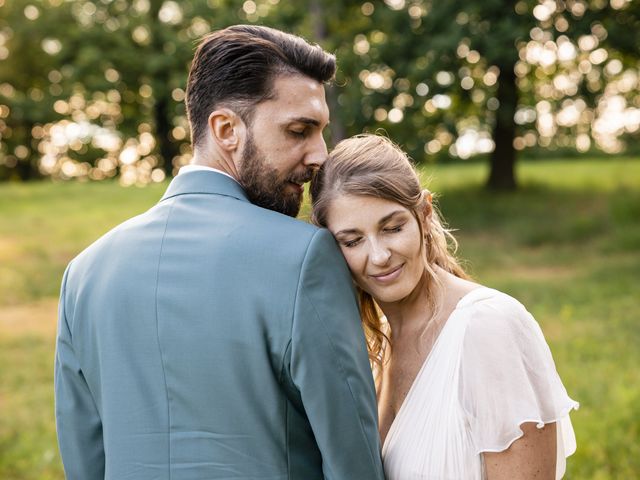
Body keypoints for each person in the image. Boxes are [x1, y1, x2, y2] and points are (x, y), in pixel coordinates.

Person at [54, 26, 384, 480]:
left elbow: (84, 460)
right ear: (227, 129)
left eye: (320, 132)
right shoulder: (305, 257)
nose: (320, 156)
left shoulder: (84, 273)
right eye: (299, 131)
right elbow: (352, 460)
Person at [311, 134, 579, 480]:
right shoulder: (373, 345)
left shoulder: (489, 327)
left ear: (423, 213)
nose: (378, 257)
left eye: (392, 228)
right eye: (352, 241)